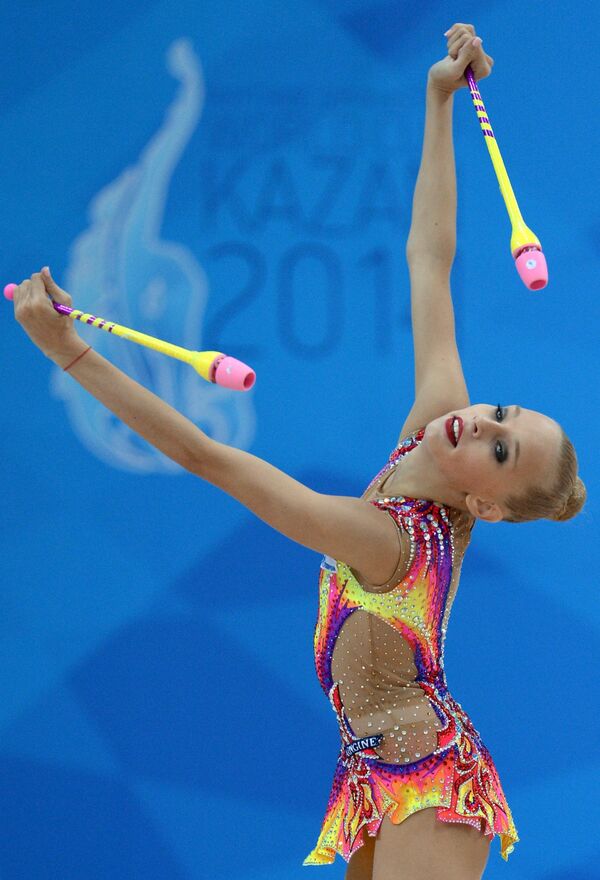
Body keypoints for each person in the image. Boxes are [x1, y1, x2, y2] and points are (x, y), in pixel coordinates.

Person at [11, 21, 585, 880]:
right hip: (380, 771)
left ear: (485, 506)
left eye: (501, 452)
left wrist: (72, 356)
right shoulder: (433, 423)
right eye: (502, 413)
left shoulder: (386, 541)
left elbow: (210, 458)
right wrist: (437, 100)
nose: (483, 423)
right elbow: (429, 258)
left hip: (429, 782)